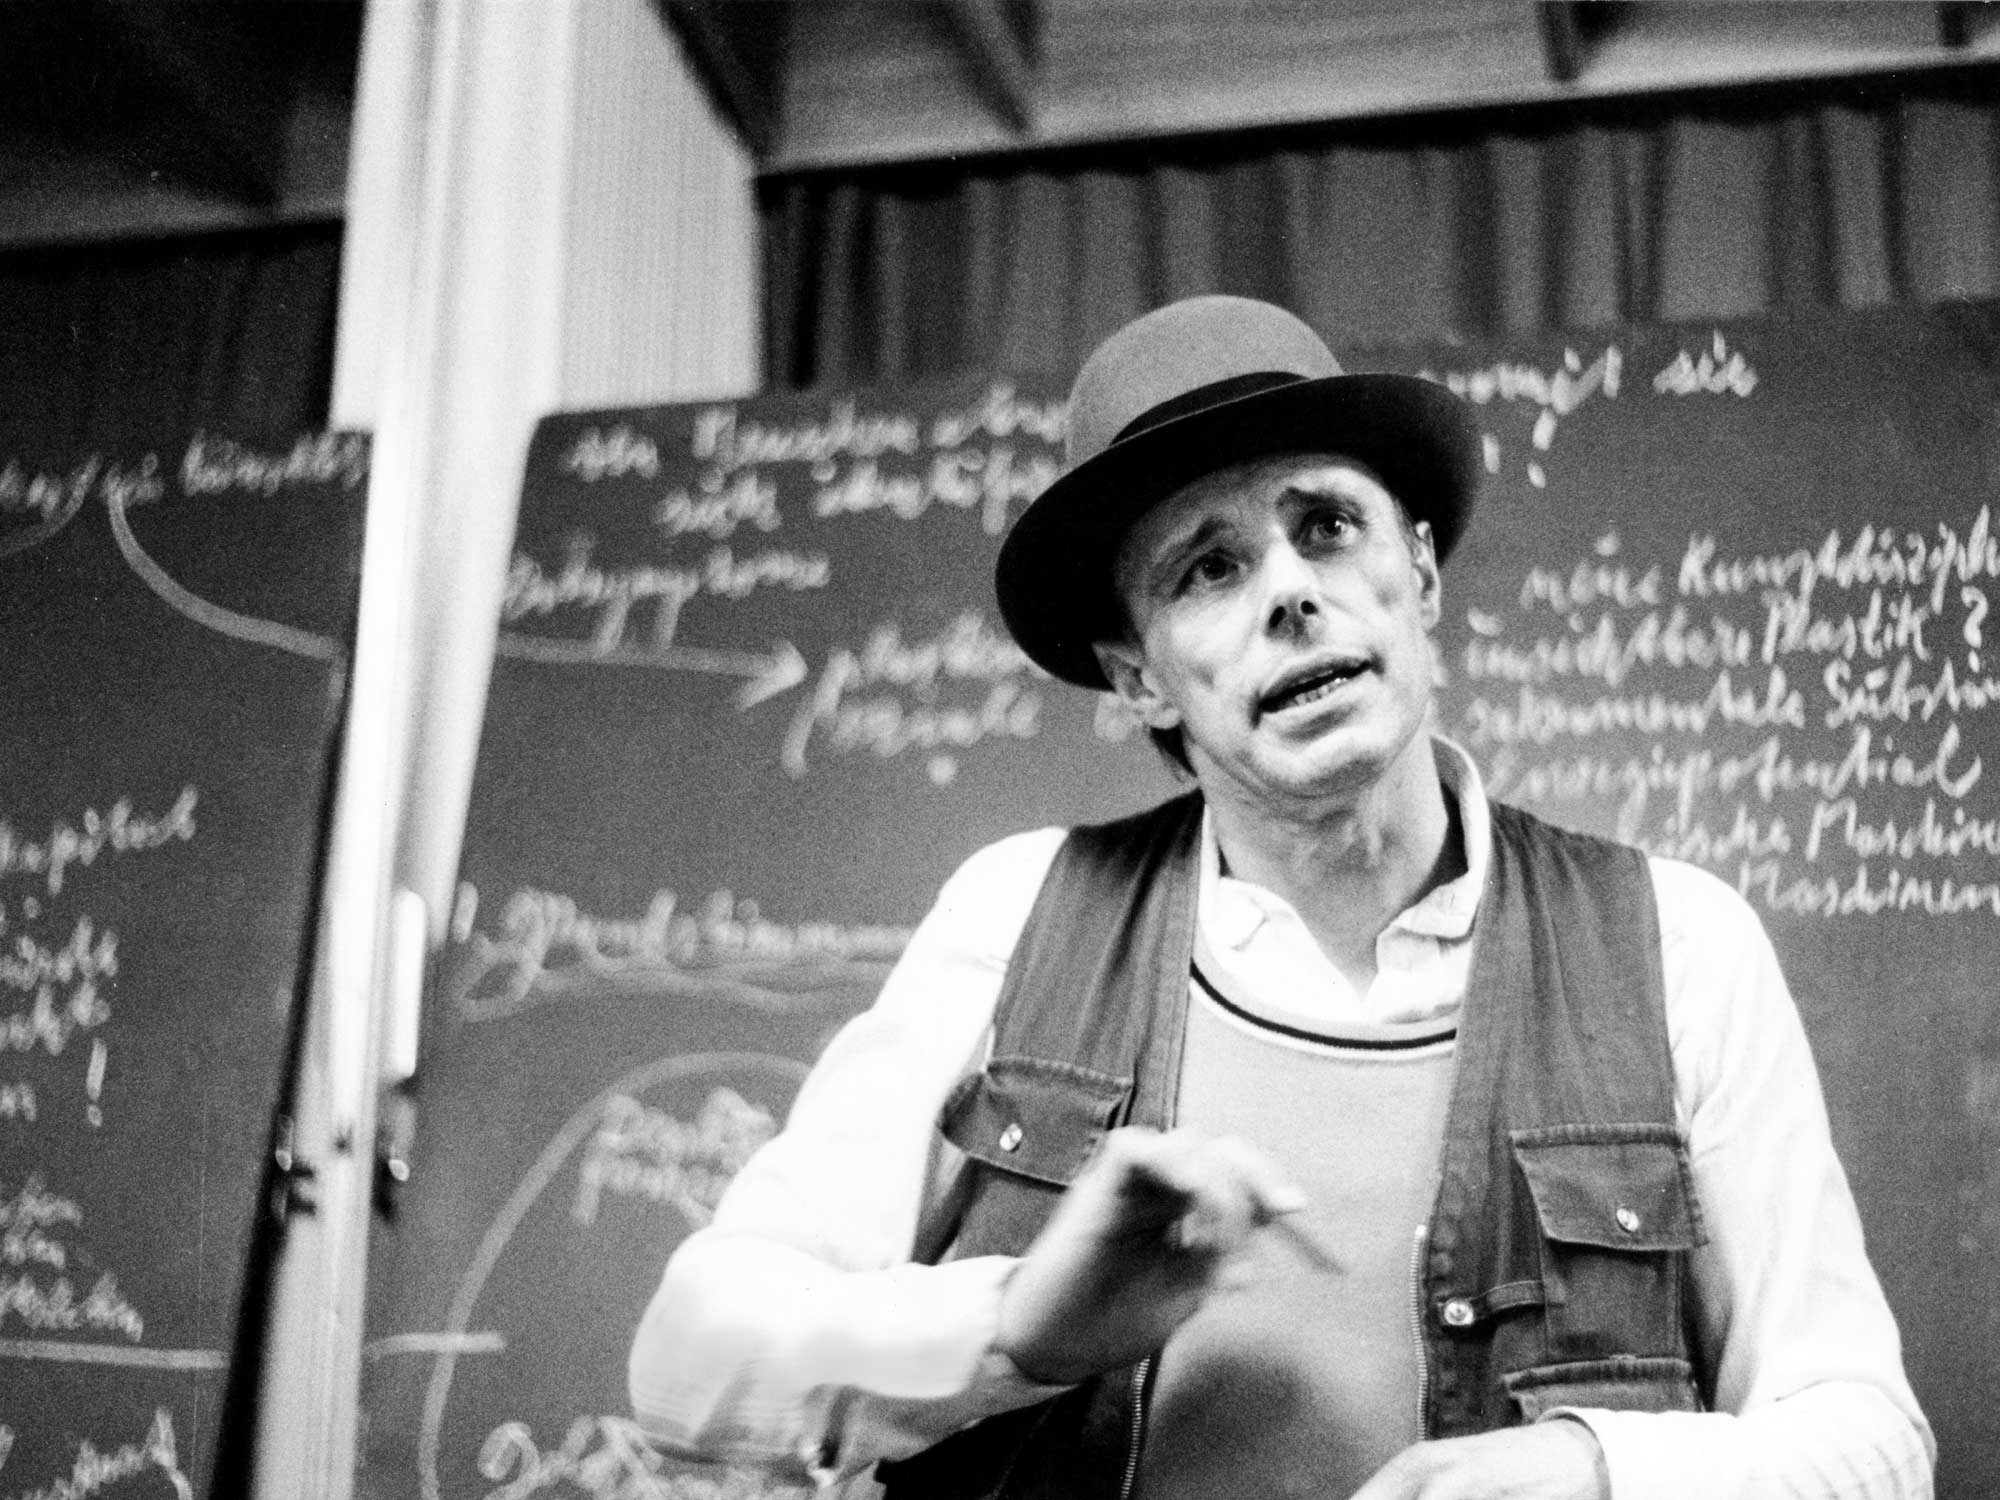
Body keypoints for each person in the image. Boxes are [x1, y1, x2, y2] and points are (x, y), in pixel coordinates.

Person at [628, 296, 1935, 1500]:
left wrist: (1598, 1473)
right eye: (1208, 568)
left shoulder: (1678, 943)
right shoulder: (1013, 915)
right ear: (1137, 677)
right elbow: (686, 1363)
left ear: (1419, 573)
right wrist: (1016, 1328)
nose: (1291, 591)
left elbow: (1871, 1439)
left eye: (1327, 528)